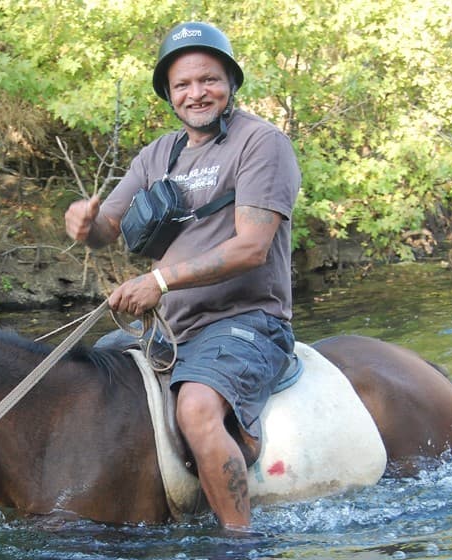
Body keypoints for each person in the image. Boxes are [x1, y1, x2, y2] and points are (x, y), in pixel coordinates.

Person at [64, 21, 301, 532]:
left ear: (230, 82)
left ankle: (238, 543)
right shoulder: (157, 155)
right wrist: (84, 225)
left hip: (248, 322)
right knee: (84, 381)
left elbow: (252, 247)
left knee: (195, 408)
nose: (197, 93)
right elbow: (108, 228)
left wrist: (160, 282)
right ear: (169, 94)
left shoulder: (261, 143)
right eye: (183, 85)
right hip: (170, 329)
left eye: (209, 79)